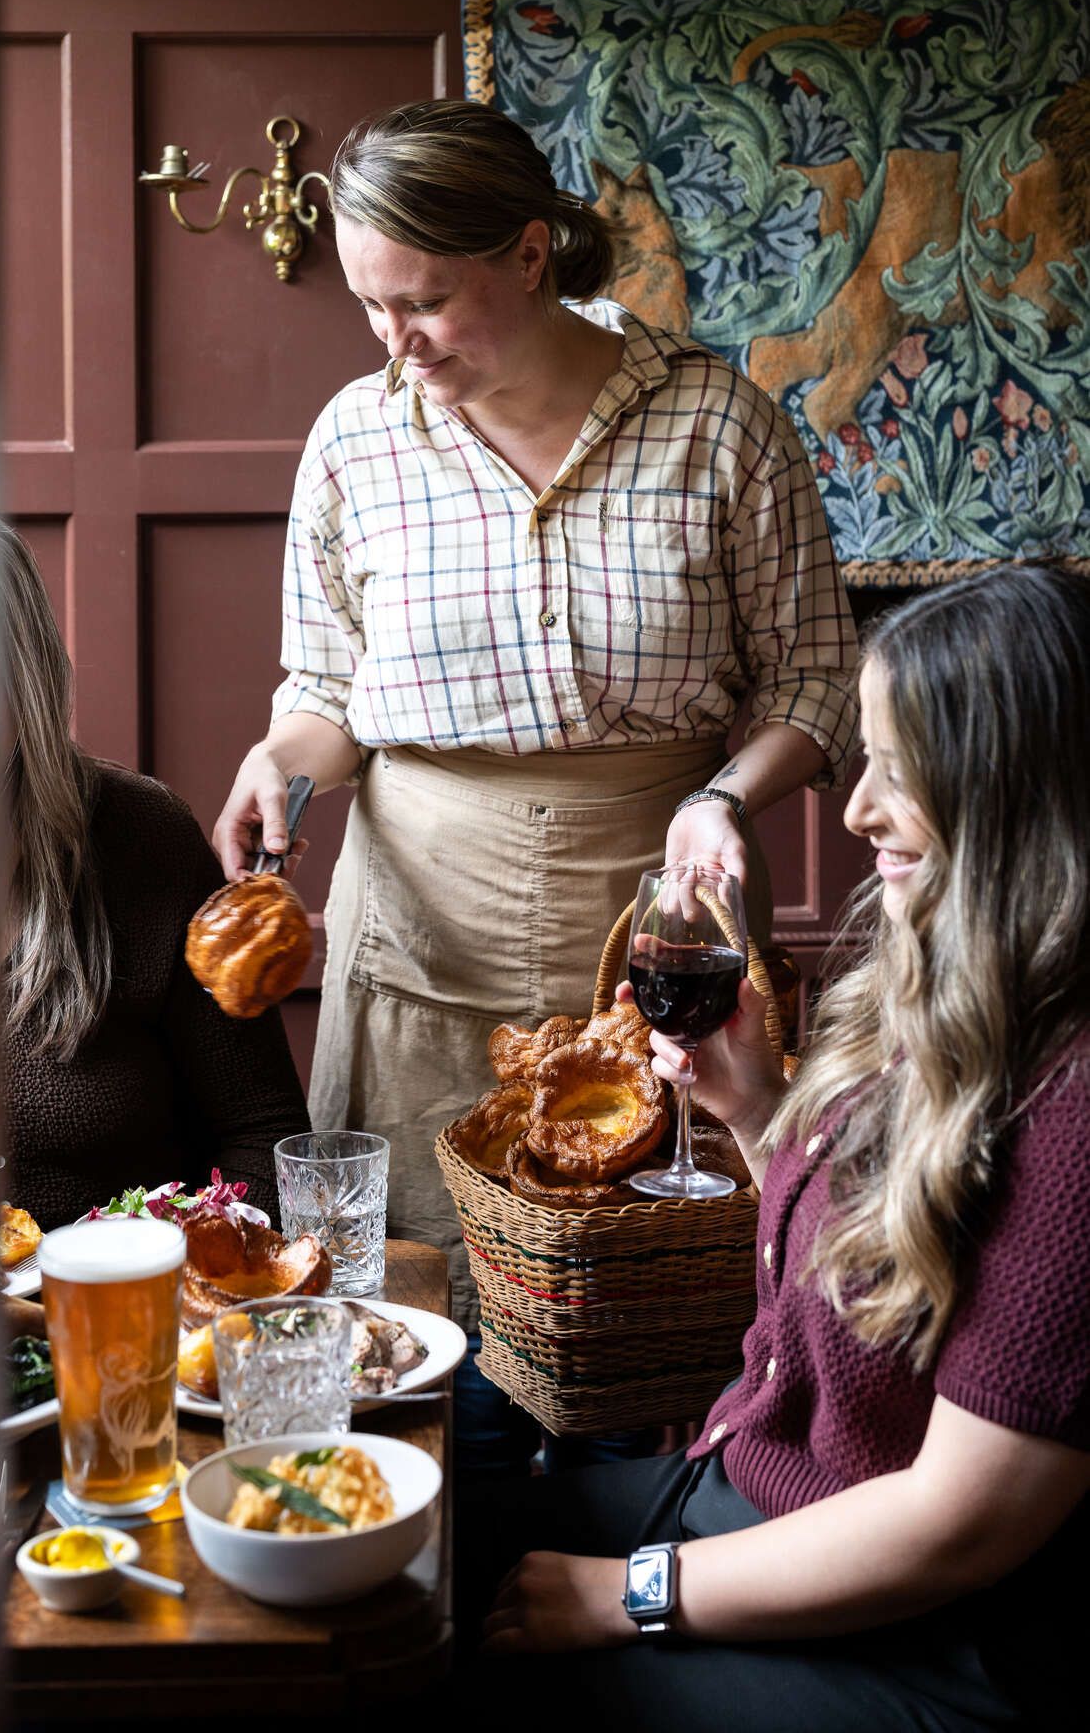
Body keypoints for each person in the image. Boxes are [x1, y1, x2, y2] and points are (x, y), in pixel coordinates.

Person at [213, 99, 858, 1464]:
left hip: (651, 935)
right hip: (416, 930)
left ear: (526, 250)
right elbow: (325, 692)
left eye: (426, 301)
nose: (396, 344)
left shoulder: (717, 425)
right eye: (371, 308)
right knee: (389, 1310)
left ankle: (635, 1583)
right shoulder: (356, 439)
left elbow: (810, 681)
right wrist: (280, 762)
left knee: (643, 1308)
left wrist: (724, 795)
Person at [453, 563, 1090, 1727]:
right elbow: (874, 1265)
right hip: (760, 1502)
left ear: (1005, 790)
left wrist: (629, 1594)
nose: (853, 810)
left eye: (898, 771)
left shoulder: (1078, 1095)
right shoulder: (947, 981)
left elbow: (959, 1518)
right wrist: (751, 1108)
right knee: (408, 1553)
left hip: (933, 1646)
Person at [0, 523, 310, 1229]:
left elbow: (262, 1138)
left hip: (130, 1317)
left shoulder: (140, 836)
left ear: (25, 678)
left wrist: (165, 1279)